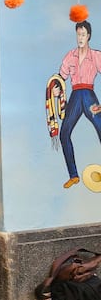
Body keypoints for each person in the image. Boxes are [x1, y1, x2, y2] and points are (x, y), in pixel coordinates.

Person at [53, 20, 101, 189]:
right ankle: (73, 175)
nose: (80, 38)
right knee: (64, 133)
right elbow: (60, 78)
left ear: (89, 36)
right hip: (75, 96)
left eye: (83, 34)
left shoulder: (96, 55)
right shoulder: (70, 55)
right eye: (78, 34)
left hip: (89, 96)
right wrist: (57, 89)